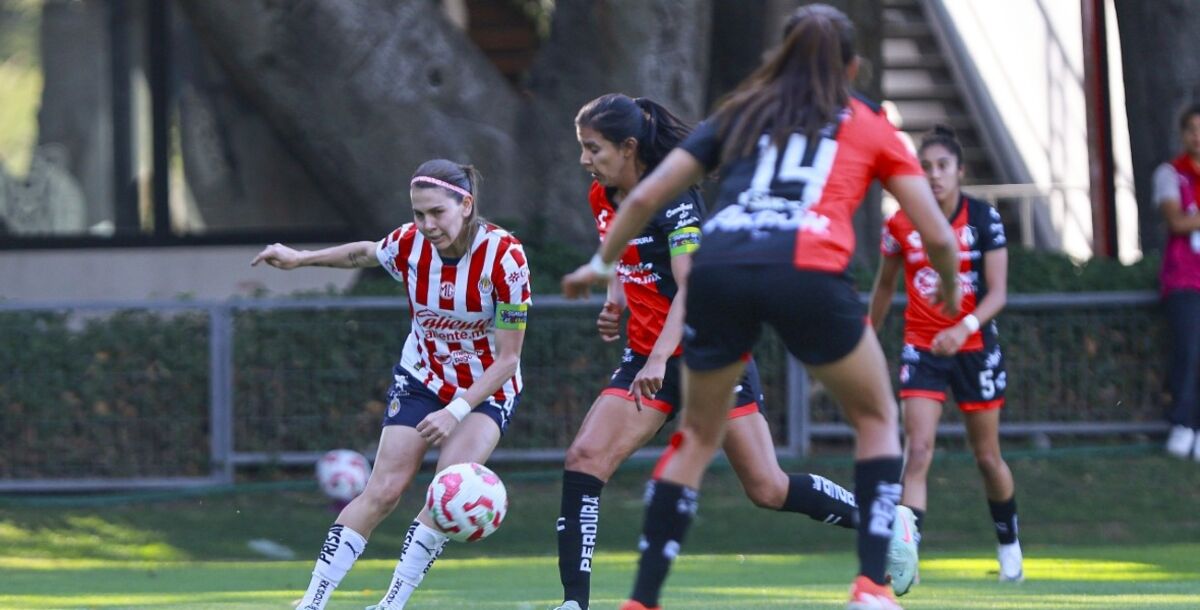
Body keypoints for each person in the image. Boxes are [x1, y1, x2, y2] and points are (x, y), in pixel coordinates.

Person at [560, 5, 961, 609]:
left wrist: (596, 267)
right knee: (877, 420)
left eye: (594, 148)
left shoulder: (744, 109)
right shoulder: (869, 121)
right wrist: (952, 293)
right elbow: (937, 237)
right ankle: (872, 583)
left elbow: (649, 197)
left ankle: (643, 599)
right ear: (852, 66)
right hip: (803, 272)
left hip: (720, 286)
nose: (587, 159)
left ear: (778, 56)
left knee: (744, 472)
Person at [554, 93, 882, 610]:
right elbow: (623, 255)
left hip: (708, 352)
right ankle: (575, 603)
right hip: (648, 357)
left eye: (593, 148)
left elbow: (691, 289)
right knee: (584, 458)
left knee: (768, 488)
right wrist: (617, 302)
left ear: (629, 147)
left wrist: (662, 358)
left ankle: (882, 521)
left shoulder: (677, 199)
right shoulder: (603, 194)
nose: (584, 160)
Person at [251, 159, 531, 610]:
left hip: (484, 390)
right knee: (382, 490)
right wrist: (301, 259)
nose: (427, 224)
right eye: (419, 214)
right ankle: (311, 602)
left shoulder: (505, 258)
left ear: (466, 205)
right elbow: (365, 252)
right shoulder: (409, 244)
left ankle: (391, 603)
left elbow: (508, 359)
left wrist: (456, 409)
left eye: (437, 212)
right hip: (421, 378)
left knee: (446, 493)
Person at [868, 125, 1024, 583]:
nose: (933, 175)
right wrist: (864, 339)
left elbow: (997, 294)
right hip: (923, 348)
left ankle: (1009, 545)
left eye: (942, 166)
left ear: (960, 170)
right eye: (926, 167)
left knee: (987, 457)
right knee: (917, 451)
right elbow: (883, 286)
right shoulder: (900, 221)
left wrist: (963, 328)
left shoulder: (983, 219)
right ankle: (907, 559)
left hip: (975, 348)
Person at [1159, 103, 1200, 460]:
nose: (1197, 136)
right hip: (1185, 278)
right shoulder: (1170, 174)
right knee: (1188, 350)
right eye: (1192, 129)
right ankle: (1183, 423)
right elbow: (1177, 222)